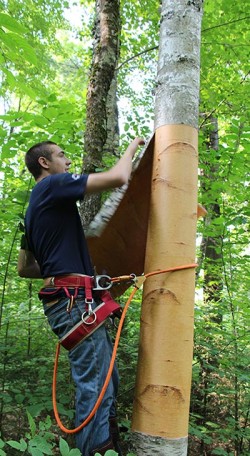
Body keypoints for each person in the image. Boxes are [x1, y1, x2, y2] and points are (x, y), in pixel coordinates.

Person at [17, 137, 144, 456]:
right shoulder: (53, 186)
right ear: (44, 164)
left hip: (74, 301)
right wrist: (133, 147)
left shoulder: (34, 207)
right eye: (62, 155)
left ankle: (109, 446)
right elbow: (118, 177)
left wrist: (64, 269)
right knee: (96, 387)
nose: (68, 161)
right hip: (74, 303)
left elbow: (24, 267)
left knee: (107, 379)